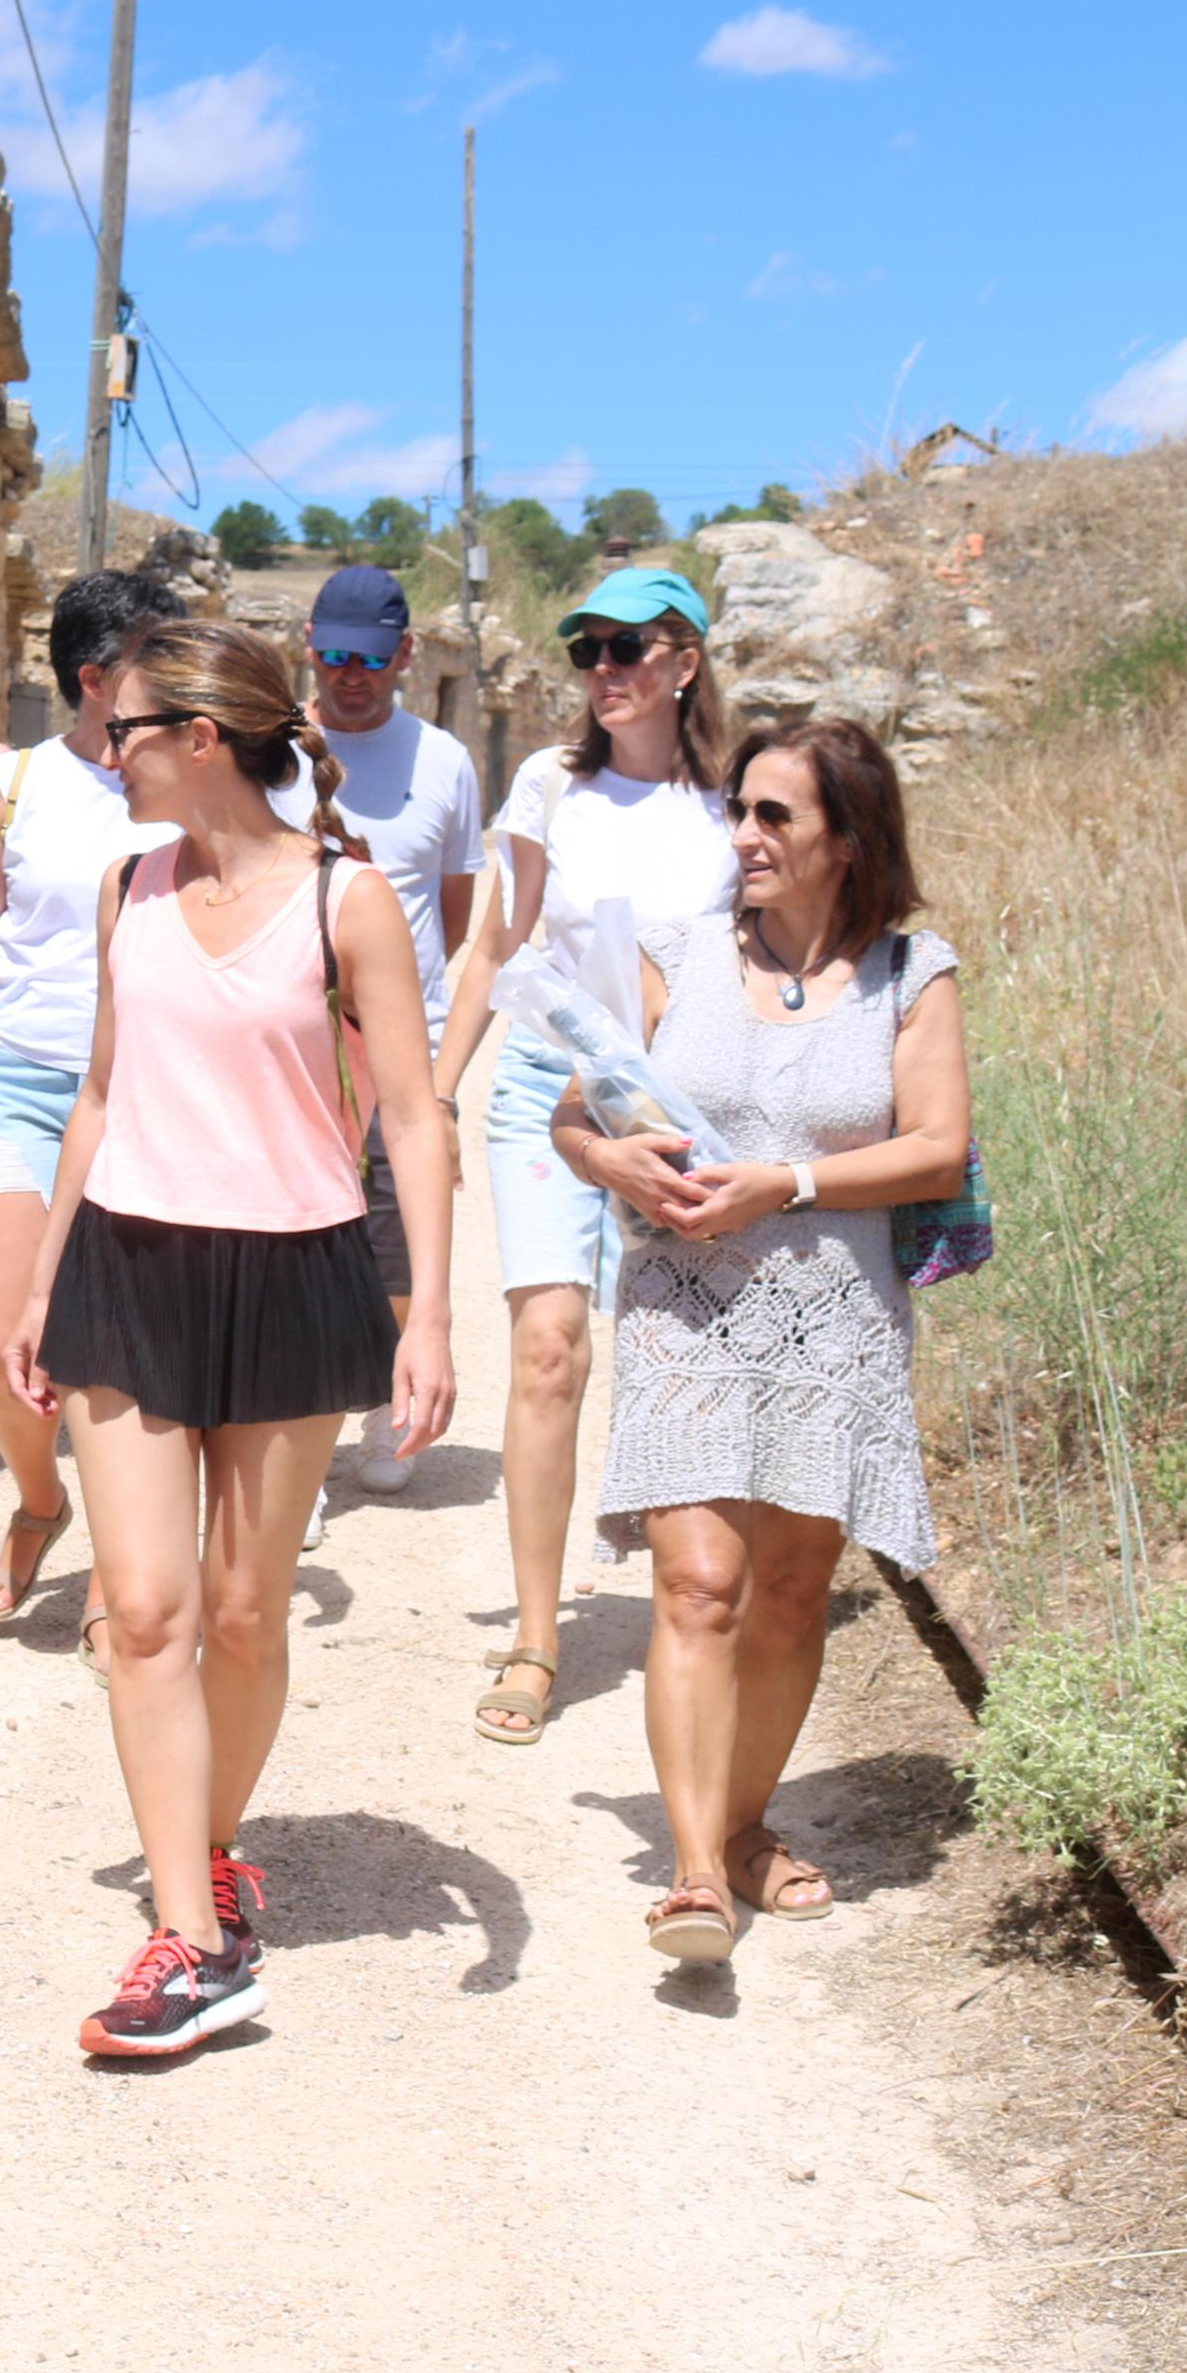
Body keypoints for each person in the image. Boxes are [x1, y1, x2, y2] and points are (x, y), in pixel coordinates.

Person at [3, 618, 457, 2056]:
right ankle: (187, 1940)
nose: (106, 749)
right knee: (142, 1610)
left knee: (245, 1610)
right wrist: (38, 1280)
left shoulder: (345, 899)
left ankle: (204, 1854)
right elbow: (95, 1090)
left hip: (288, 1268)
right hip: (126, 1266)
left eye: (124, 727)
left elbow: (410, 1113)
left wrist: (428, 1311)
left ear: (199, 737)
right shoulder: (120, 884)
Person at [553, 715, 971, 1962]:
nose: (740, 835)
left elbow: (935, 1145)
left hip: (834, 1323)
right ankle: (693, 1874)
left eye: (771, 815)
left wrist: (780, 1183)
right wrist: (603, 1153)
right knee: (697, 1584)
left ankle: (741, 1824)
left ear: (846, 838)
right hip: (685, 1309)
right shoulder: (670, 956)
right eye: (735, 809)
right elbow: (575, 1114)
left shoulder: (914, 971)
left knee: (789, 1596)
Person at [431, 568, 737, 1749]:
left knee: (667, 1353)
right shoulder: (547, 785)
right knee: (549, 1344)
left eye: (625, 647)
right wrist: (437, 1091)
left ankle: (687, 1588)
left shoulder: (729, 806)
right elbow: (494, 944)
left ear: (683, 660)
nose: (602, 669)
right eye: (585, 651)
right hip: (541, 1086)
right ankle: (534, 1630)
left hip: (673, 1102)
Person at [0, 566, 187, 1627]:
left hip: (145, 1090)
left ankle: (123, 1578)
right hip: (16, 1082)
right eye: (151, 661)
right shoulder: (15, 782)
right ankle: (39, 1501)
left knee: (114, 1349)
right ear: (93, 678)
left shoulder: (188, 778)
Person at [298, 564, 486, 1501]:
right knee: (297, 1231)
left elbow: (449, 918)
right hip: (293, 1032)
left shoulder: (443, 762)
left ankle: (384, 1397)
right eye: (331, 655)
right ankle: (296, 1434)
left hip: (398, 1036)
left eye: (368, 658)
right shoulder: (275, 748)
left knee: (395, 1235)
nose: (348, 675)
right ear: (307, 646)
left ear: (404, 654)